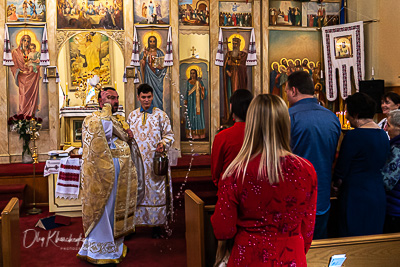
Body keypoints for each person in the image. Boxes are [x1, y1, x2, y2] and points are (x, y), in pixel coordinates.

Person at [211, 94, 318, 266]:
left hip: (249, 256)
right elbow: (308, 228)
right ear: (285, 123)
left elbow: (223, 229)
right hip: (291, 255)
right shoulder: (306, 169)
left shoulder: (236, 172)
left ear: (252, 125)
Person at [77, 87, 144, 265]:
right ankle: (100, 248)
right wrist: (107, 113)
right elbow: (103, 136)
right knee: (104, 209)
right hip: (101, 176)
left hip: (118, 173)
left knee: (114, 208)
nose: (114, 102)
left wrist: (127, 135)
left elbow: (122, 139)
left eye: (116, 98)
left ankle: (114, 244)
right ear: (100, 101)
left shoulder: (117, 120)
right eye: (110, 98)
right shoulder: (93, 119)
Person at [286, 70, 341, 239]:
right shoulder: (332, 118)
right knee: (318, 247)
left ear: (294, 90)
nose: (287, 94)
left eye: (287, 90)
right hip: (322, 195)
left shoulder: (287, 117)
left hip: (294, 197)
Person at [332, 92, 390, 237]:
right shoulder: (383, 135)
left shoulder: (353, 136)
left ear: (355, 114)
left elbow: (341, 169)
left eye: (348, 113)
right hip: (377, 193)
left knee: (352, 239)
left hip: (355, 196)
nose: (346, 117)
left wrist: (335, 185)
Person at [127, 83, 174, 239]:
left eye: (148, 97)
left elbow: (169, 135)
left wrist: (163, 143)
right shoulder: (132, 116)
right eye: (143, 97)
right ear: (138, 97)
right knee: (136, 191)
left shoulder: (161, 115)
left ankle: (156, 225)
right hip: (137, 163)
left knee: (156, 192)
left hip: (154, 162)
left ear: (152, 96)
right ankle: (133, 225)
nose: (146, 100)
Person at [211, 89, 253, 188]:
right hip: (255, 193)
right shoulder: (261, 135)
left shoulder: (222, 137)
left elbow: (215, 173)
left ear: (231, 107)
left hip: (229, 191)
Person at [10, 34, 41, 118]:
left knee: (31, 97)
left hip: (32, 78)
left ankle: (30, 116)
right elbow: (13, 65)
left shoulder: (31, 52)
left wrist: (35, 68)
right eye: (25, 40)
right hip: (22, 78)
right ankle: (22, 115)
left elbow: (37, 64)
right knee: (23, 96)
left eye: (28, 41)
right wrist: (20, 71)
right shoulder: (16, 52)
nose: (26, 43)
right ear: (21, 41)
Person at [382, 110, 400, 233]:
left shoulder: (397, 149)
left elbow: (387, 181)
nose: (387, 129)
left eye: (389, 125)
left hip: (395, 208)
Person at [223, 37, 248, 120]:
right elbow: (225, 67)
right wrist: (227, 72)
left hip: (239, 79)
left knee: (239, 97)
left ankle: (240, 115)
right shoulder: (229, 54)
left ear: (239, 45)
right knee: (231, 95)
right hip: (231, 80)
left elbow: (243, 67)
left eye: (236, 44)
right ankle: (230, 115)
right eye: (233, 44)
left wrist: (235, 65)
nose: (234, 45)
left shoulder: (243, 55)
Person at [139, 35, 167, 110]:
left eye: (153, 41)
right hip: (148, 77)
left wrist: (160, 68)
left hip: (158, 78)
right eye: (150, 41)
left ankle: (158, 109)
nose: (152, 43)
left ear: (156, 42)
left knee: (158, 94)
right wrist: (144, 57)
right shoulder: (144, 52)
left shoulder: (160, 53)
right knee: (148, 93)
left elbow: (165, 65)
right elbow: (141, 65)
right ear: (148, 42)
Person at [184, 69, 207, 139]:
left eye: (194, 73)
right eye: (191, 73)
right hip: (191, 102)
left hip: (198, 102)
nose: (192, 75)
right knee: (190, 116)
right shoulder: (188, 82)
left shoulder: (199, 82)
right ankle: (191, 134)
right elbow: (187, 91)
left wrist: (201, 88)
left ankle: (199, 135)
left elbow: (204, 91)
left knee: (198, 116)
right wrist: (185, 99)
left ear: (196, 74)